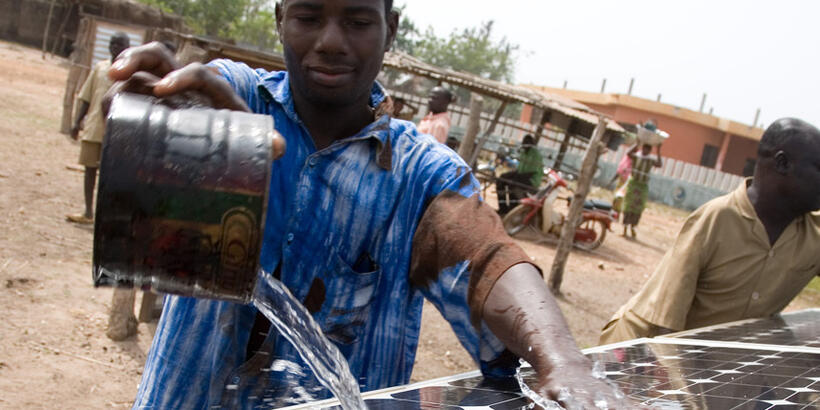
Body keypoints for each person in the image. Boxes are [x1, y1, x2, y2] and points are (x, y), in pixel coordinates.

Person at [107, 1, 627, 408]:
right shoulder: (237, 102)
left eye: (357, 21)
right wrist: (151, 118)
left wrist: (563, 362)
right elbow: (183, 111)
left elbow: (487, 257)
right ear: (280, 18)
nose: (331, 42)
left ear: (390, 30)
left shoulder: (421, 174)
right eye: (308, 16)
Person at [600, 118, 820, 345]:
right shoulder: (716, 219)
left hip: (708, 360)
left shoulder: (813, 234)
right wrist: (680, 379)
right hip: (640, 348)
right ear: (782, 164)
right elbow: (666, 326)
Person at [66, 32, 130, 224]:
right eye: (112, 43)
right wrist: (77, 122)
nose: (115, 47)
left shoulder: (131, 72)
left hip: (117, 132)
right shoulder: (100, 68)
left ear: (128, 47)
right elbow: (86, 96)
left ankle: (107, 215)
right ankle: (87, 212)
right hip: (94, 127)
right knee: (89, 170)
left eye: (120, 44)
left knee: (111, 176)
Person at [621, 142, 662, 238]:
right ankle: (625, 229)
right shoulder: (636, 157)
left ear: (649, 151)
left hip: (642, 186)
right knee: (628, 206)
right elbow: (628, 153)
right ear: (642, 148)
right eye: (644, 149)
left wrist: (659, 150)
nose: (645, 151)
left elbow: (659, 164)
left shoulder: (650, 160)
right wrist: (637, 143)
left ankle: (632, 228)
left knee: (638, 208)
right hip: (633, 184)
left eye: (647, 150)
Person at [496, 134, 544, 215]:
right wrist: (509, 176)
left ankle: (511, 209)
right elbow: (519, 170)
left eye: (527, 143)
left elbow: (530, 173)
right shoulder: (524, 151)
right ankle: (503, 208)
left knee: (512, 183)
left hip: (531, 179)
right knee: (501, 179)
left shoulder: (535, 154)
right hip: (521, 175)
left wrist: (513, 177)